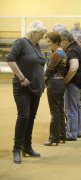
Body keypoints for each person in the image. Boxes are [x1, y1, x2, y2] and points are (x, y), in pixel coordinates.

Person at [6, 21, 47, 164]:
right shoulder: (21, 43)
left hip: (35, 88)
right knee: (24, 116)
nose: (42, 37)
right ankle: (16, 149)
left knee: (31, 117)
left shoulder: (36, 46)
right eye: (41, 34)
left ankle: (27, 147)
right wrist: (22, 77)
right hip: (22, 86)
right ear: (34, 32)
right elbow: (10, 60)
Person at [60, 30, 81, 141]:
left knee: (70, 108)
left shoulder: (71, 51)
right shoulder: (78, 47)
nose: (60, 45)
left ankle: (71, 133)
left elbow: (74, 67)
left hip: (73, 81)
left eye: (60, 42)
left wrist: (65, 80)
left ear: (66, 40)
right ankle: (77, 131)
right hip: (80, 80)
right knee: (76, 106)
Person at [43, 32, 67, 146]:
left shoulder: (56, 54)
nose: (48, 44)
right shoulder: (63, 53)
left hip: (54, 83)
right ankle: (62, 135)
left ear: (56, 42)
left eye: (49, 42)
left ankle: (53, 138)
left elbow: (49, 71)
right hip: (61, 82)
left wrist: (42, 81)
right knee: (60, 110)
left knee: (54, 111)